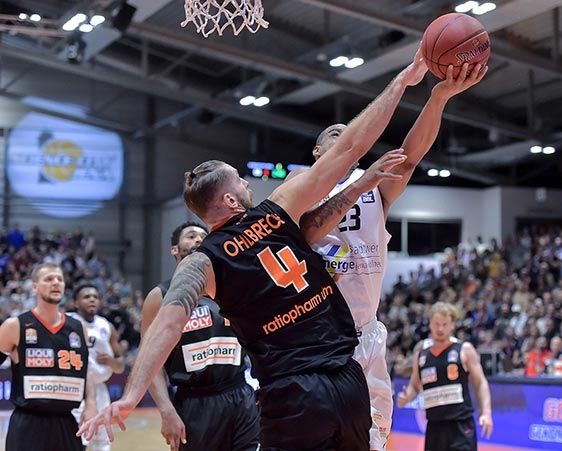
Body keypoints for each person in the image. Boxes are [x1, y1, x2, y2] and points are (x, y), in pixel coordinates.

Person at [79, 43, 428, 450]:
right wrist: (403, 80)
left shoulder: (204, 262)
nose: (247, 185)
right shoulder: (277, 210)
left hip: (295, 392)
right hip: (346, 381)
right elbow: (350, 147)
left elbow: (166, 326)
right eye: (239, 182)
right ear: (229, 200)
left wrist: (130, 395)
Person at [295, 62, 487, 449]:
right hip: (317, 337)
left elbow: (411, 156)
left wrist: (437, 98)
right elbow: (307, 229)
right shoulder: (298, 189)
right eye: (335, 134)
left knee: (373, 439)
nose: (345, 135)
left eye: (349, 133)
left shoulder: (373, 189)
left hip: (367, 334)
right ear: (317, 151)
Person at [142, 222, 259, 451]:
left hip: (240, 394)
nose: (198, 240)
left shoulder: (232, 289)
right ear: (174, 249)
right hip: (195, 404)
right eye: (191, 236)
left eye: (203, 236)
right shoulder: (160, 297)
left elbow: (258, 340)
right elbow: (149, 362)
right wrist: (166, 410)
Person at [0, 263, 96, 451]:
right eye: (49, 279)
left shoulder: (78, 328)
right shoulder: (15, 325)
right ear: (34, 286)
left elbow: (86, 371)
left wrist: (91, 403)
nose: (56, 283)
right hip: (28, 422)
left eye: (60, 279)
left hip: (67, 422)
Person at [397, 302, 493, 451]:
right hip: (434, 426)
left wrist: (486, 413)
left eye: (444, 324)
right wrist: (407, 397)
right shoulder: (421, 353)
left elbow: (480, 383)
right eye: (436, 324)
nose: (440, 329)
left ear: (452, 325)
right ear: (430, 324)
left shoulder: (464, 350)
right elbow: (415, 386)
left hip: (460, 425)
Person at [70, 283, 126, 451]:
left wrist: (111, 361)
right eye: (86, 297)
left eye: (95, 297)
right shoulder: (68, 321)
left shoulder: (106, 326)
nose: (92, 300)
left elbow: (120, 367)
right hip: (74, 388)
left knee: (102, 440)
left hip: (99, 390)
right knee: (75, 438)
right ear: (76, 303)